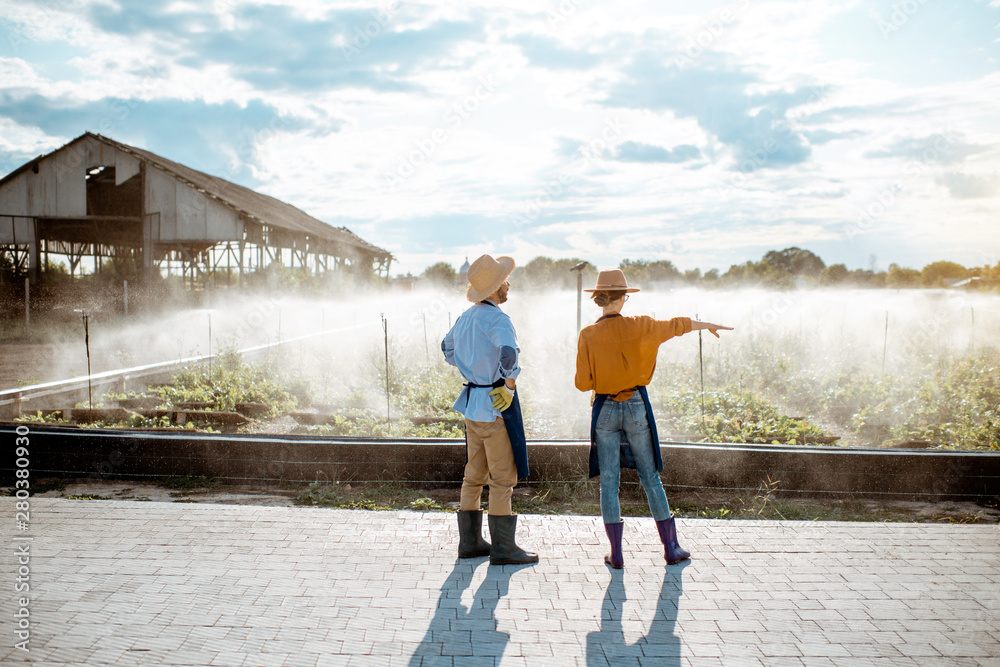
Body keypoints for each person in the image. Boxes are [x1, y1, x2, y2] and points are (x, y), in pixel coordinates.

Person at [574, 268, 733, 568]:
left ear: (598, 299)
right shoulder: (643, 325)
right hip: (636, 406)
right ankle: (671, 548)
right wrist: (708, 324)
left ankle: (617, 554)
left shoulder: (588, 335)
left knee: (609, 482)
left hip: (605, 409)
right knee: (650, 478)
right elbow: (678, 325)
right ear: (623, 298)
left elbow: (583, 383)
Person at [442, 254, 538, 565]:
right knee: (501, 479)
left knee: (473, 475)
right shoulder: (498, 320)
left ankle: (470, 543)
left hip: (472, 404)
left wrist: (468, 367)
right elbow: (509, 353)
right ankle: (503, 549)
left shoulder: (465, 317)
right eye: (504, 280)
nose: (508, 284)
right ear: (496, 288)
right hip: (497, 405)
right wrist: (508, 386)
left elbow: (446, 348)